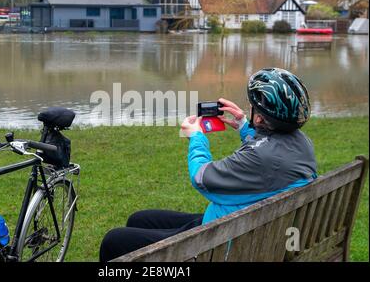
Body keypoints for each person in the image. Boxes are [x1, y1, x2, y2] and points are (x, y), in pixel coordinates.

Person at [99, 68, 318, 262]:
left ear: (260, 119)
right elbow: (269, 151)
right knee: (140, 219)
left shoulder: (259, 157)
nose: (249, 109)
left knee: (114, 240)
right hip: (247, 230)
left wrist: (196, 137)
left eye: (252, 108)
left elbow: (201, 177)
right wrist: (243, 124)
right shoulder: (302, 144)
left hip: (219, 245)